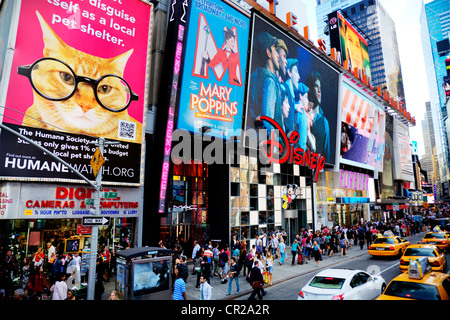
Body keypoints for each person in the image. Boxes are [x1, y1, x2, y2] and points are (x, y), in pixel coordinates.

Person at [305, 72, 330, 161]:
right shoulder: (302, 113)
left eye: (320, 87)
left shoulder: (324, 122)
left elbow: (327, 157)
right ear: (309, 89)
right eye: (316, 86)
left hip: (317, 171)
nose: (319, 90)